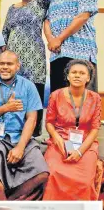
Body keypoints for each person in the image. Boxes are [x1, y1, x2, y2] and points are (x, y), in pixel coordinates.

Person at [0, 51, 49, 200]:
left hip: (21, 136)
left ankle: (9, 203)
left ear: (18, 66)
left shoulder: (28, 86)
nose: (5, 67)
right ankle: (4, 204)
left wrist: (20, 147)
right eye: (2, 64)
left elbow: (32, 119)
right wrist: (5, 108)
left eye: (9, 64)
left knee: (42, 172)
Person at [2, 0, 50, 137]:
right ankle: (13, 130)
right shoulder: (12, 8)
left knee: (33, 96)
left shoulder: (40, 4)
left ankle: (34, 134)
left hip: (34, 58)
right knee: (14, 94)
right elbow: (5, 31)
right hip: (14, 59)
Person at [43, 60, 101, 200]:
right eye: (73, 72)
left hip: (86, 144)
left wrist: (80, 151)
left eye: (82, 73)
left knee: (85, 181)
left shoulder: (95, 98)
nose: (77, 76)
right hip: (60, 141)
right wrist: (57, 139)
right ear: (67, 76)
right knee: (53, 174)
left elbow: (94, 129)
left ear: (88, 78)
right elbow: (49, 123)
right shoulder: (56, 95)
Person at [44, 0, 100, 93]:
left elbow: (83, 16)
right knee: (59, 102)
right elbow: (47, 20)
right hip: (58, 54)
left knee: (84, 106)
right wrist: (51, 39)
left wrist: (59, 39)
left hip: (81, 53)